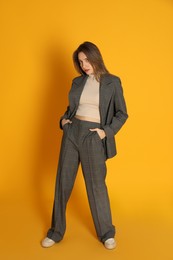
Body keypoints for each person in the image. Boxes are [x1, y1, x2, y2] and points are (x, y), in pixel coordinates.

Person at [41, 41, 128, 250]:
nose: (84, 65)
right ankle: (56, 231)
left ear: (95, 57)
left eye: (87, 60)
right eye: (80, 62)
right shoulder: (77, 82)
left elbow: (121, 113)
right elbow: (72, 107)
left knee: (96, 186)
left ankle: (106, 233)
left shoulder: (112, 82)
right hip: (72, 132)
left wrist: (104, 132)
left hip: (93, 136)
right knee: (63, 183)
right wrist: (63, 120)